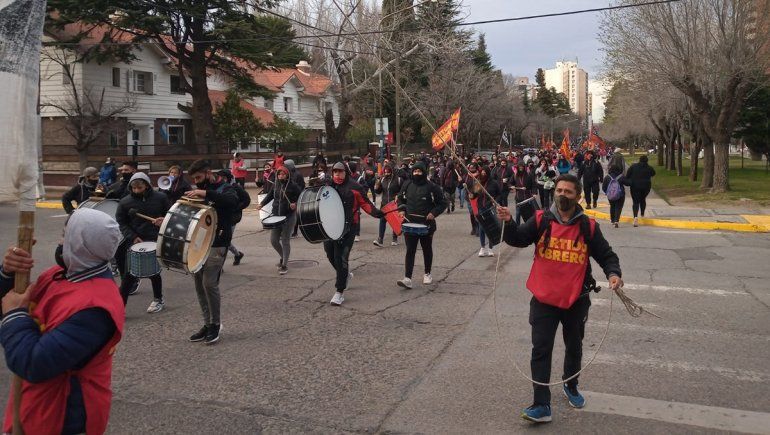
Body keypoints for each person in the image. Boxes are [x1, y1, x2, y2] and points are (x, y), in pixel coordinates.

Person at [496, 173, 623, 424]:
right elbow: (518, 239)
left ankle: (571, 385)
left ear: (578, 196)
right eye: (559, 190)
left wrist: (613, 274)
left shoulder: (588, 227)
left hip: (576, 299)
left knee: (574, 347)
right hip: (543, 299)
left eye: (568, 192)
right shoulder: (542, 219)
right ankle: (541, 404)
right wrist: (509, 222)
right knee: (541, 350)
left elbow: (607, 255)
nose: (562, 195)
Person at [0, 208, 124, 435]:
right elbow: (14, 303)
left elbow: (35, 364)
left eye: (65, 235)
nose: (60, 241)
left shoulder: (96, 308)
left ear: (80, 244)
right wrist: (8, 274)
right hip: (34, 404)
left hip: (62, 416)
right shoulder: (59, 274)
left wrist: (15, 316)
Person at [184, 160, 240, 344]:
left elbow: (232, 202)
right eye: (194, 179)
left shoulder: (224, 188)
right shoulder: (199, 189)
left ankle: (216, 324)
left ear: (208, 173)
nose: (196, 182)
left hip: (218, 241)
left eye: (199, 177)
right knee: (198, 283)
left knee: (209, 284)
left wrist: (206, 193)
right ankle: (207, 324)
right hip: (199, 241)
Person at [325, 162, 383, 306]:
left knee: (341, 257)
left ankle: (339, 292)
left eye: (341, 172)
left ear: (346, 172)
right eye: (335, 172)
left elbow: (366, 203)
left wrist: (378, 213)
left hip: (349, 228)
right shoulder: (328, 186)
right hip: (330, 227)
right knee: (329, 254)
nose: (338, 175)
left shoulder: (354, 187)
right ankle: (345, 275)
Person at [114, 172, 170, 311]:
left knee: (154, 272)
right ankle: (119, 308)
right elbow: (121, 222)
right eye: (134, 188)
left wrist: (163, 220)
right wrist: (132, 236)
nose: (137, 191)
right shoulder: (125, 202)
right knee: (129, 274)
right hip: (135, 241)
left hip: (154, 239)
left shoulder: (160, 198)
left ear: (147, 185)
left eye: (140, 187)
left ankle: (158, 299)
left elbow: (170, 215)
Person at [395, 161, 447, 289]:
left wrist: (433, 213)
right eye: (414, 171)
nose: (416, 173)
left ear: (423, 172)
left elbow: (442, 203)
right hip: (409, 223)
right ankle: (407, 278)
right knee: (410, 250)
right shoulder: (407, 184)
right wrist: (401, 209)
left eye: (419, 171)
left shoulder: (432, 187)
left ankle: (427, 273)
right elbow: (401, 198)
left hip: (426, 224)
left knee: (426, 249)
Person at [256, 166, 300, 274]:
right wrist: (261, 204)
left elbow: (301, 196)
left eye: (283, 174)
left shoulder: (293, 186)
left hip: (289, 216)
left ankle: (284, 265)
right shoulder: (276, 184)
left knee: (285, 241)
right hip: (276, 215)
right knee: (274, 240)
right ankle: (284, 257)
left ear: (287, 175)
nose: (281, 176)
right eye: (279, 174)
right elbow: (270, 196)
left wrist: (295, 203)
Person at [218, 169, 251, 266]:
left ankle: (219, 266)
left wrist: (236, 208)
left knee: (225, 240)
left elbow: (246, 200)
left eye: (223, 177)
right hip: (221, 216)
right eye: (220, 177)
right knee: (221, 239)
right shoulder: (218, 187)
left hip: (232, 217)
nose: (221, 179)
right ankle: (237, 254)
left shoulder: (235, 187)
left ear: (228, 178)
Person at [468, 165, 501, 257]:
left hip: (490, 207)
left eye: (485, 173)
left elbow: (499, 194)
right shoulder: (478, 183)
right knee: (482, 227)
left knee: (490, 228)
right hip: (481, 207)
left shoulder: (494, 183)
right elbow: (474, 194)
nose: (483, 174)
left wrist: (495, 200)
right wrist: (472, 195)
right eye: (482, 173)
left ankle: (490, 248)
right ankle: (482, 248)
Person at [373, 164, 402, 247]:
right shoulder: (382, 180)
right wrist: (377, 186)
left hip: (394, 204)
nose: (386, 174)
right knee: (382, 220)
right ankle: (380, 240)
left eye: (388, 172)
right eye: (385, 172)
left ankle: (394, 238)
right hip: (384, 204)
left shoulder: (398, 180)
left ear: (392, 171)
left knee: (394, 221)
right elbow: (378, 192)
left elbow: (403, 190)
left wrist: (398, 195)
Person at [625, 154, 656, 227]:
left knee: (635, 202)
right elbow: (653, 173)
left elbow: (627, 175)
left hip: (635, 187)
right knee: (643, 199)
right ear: (647, 161)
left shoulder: (633, 167)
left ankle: (635, 216)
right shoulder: (649, 168)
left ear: (639, 160)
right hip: (646, 187)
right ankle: (642, 214)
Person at [284, 159, 305, 238]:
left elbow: (301, 186)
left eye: (286, 166)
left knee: (295, 215)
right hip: (289, 197)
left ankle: (295, 232)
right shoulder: (288, 174)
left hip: (296, 197)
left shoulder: (297, 174)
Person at [602, 162, 627, 228]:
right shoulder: (621, 177)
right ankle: (616, 221)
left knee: (612, 206)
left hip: (610, 195)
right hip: (620, 195)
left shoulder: (607, 177)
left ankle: (612, 220)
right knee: (618, 207)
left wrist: (607, 193)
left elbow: (603, 187)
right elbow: (628, 183)